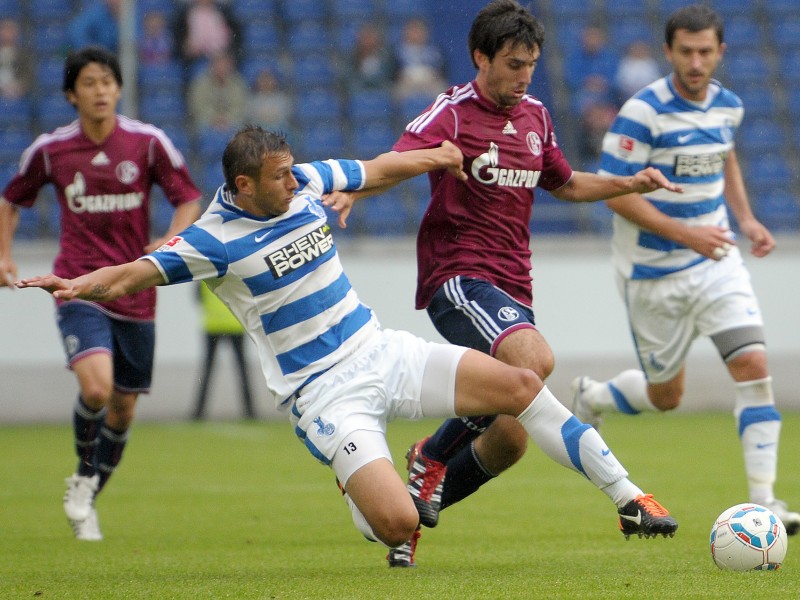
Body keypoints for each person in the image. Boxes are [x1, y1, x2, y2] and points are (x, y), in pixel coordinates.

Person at [14, 125, 678, 555]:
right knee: (400, 526)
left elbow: (376, 168)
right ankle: (364, 486)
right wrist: (76, 285)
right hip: (323, 393)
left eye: (292, 169)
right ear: (243, 186)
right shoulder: (212, 239)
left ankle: (629, 498)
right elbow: (136, 271)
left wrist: (438, 157)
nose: (294, 178)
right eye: (278, 176)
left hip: (380, 349)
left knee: (520, 385)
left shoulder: (300, 181)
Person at [320, 0, 682, 567]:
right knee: (533, 363)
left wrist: (627, 182)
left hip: (513, 286)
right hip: (458, 275)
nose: (523, 77)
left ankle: (412, 509)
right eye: (513, 65)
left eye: (531, 65)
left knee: (510, 438)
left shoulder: (536, 115)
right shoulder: (453, 113)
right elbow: (397, 160)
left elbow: (563, 184)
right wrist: (352, 190)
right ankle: (433, 453)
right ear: (480, 58)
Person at [570, 3, 800, 537]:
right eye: (686, 51)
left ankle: (765, 503)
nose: (696, 62)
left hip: (717, 262)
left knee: (754, 370)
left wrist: (744, 218)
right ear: (669, 51)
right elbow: (616, 195)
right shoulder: (642, 112)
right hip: (653, 273)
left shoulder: (728, 105)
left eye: (705, 51)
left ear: (720, 51)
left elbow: (727, 156)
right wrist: (685, 233)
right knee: (666, 397)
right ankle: (595, 395)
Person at [0, 46, 202, 541]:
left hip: (133, 287)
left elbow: (189, 199)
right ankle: (82, 476)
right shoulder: (50, 151)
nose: (100, 91)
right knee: (97, 388)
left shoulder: (148, 143)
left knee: (124, 409)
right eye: (89, 83)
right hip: (76, 285)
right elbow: (10, 200)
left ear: (118, 88)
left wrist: (172, 241)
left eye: (107, 81)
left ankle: (86, 489)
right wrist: (4, 254)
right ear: (72, 94)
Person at [193, 281, 255, 420]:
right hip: (235, 324)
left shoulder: (203, 274)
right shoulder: (235, 271)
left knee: (208, 370)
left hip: (213, 325)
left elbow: (197, 298)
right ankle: (250, 411)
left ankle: (198, 412)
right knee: (242, 370)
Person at [172, 0, 242, 81]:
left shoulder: (224, 13)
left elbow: (236, 35)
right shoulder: (185, 15)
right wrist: (186, 48)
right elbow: (179, 38)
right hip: (193, 57)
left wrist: (228, 53)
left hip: (221, 54)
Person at [188, 51, 249, 135]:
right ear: (212, 66)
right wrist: (214, 118)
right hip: (207, 121)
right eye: (218, 64)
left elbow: (241, 105)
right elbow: (198, 106)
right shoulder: (201, 83)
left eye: (224, 64)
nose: (221, 68)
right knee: (201, 128)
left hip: (233, 121)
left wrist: (227, 119)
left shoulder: (238, 83)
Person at [393, 17, 447, 102]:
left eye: (418, 31)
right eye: (412, 31)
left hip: (430, 80)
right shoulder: (398, 50)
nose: (415, 34)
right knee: (397, 93)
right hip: (407, 80)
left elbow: (442, 69)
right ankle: (401, 114)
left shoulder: (434, 50)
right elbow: (393, 70)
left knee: (443, 94)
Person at [348, 23, 397, 93]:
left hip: (381, 87)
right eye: (365, 38)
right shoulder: (352, 57)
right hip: (359, 88)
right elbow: (350, 76)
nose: (368, 41)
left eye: (371, 38)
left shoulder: (386, 57)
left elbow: (388, 74)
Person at [0, 17, 33, 100]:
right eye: (5, 31)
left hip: (18, 95)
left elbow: (29, 75)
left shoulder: (24, 54)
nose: (7, 34)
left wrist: (19, 86)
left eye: (10, 31)